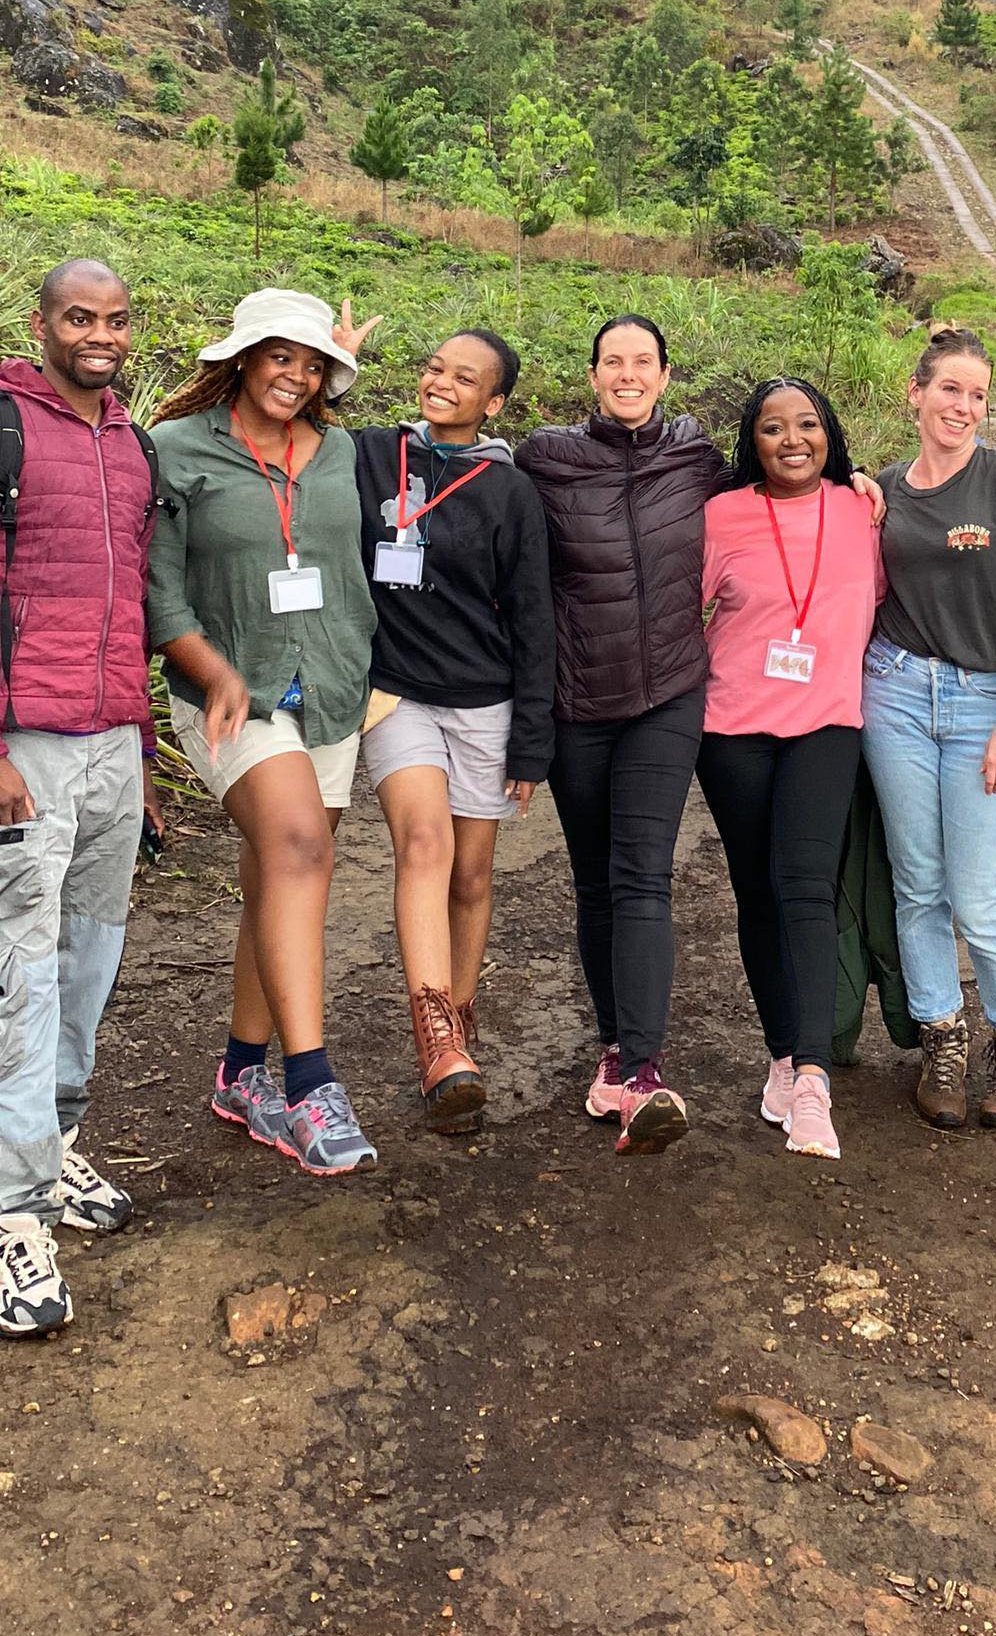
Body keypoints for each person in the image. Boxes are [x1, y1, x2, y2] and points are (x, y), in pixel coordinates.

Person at [147, 290, 379, 1178]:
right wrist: (213, 671)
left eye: (313, 363)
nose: (296, 374)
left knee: (280, 880)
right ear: (243, 358)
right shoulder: (176, 450)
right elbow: (159, 591)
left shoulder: (342, 451)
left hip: (327, 687)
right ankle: (310, 1084)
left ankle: (241, 1074)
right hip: (227, 697)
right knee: (299, 851)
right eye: (280, 356)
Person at [516, 316, 729, 1154]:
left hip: (668, 695)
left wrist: (858, 479)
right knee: (595, 883)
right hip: (578, 701)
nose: (628, 374)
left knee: (643, 876)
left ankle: (642, 1070)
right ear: (593, 374)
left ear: (667, 375)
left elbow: (792, 480)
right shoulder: (546, 458)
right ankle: (611, 1048)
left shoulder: (698, 460)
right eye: (614, 362)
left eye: (644, 362)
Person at [0, 260, 164, 1338]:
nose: (98, 334)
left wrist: (143, 752)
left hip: (113, 738)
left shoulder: (131, 439)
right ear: (42, 321)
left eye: (113, 320)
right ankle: (12, 1214)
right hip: (26, 740)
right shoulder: (7, 425)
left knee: (86, 962)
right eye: (79, 316)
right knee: (20, 970)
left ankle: (53, 1145)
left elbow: (135, 595)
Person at [348, 328, 555, 1132]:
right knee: (424, 847)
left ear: (493, 402)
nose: (442, 383)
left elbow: (536, 623)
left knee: (471, 876)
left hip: (485, 704)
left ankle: (458, 1034)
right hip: (396, 697)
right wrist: (338, 362)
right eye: (435, 368)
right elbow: (302, 423)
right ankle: (436, 1041)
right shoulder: (375, 454)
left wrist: (531, 742)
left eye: (465, 379)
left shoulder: (510, 493)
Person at [861, 326, 996, 1132]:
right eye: (951, 388)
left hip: (986, 701)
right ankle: (941, 1034)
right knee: (918, 884)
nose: (965, 406)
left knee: (978, 893)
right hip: (898, 696)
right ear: (916, 393)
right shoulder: (883, 492)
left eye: (978, 394)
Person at [696, 378, 883, 1161]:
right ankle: (781, 1054)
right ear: (754, 441)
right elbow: (678, 612)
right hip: (732, 728)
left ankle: (812, 1081)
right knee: (757, 894)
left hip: (827, 726)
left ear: (830, 433)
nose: (792, 439)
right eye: (773, 428)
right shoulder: (721, 513)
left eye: (807, 423)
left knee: (805, 887)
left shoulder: (864, 507)